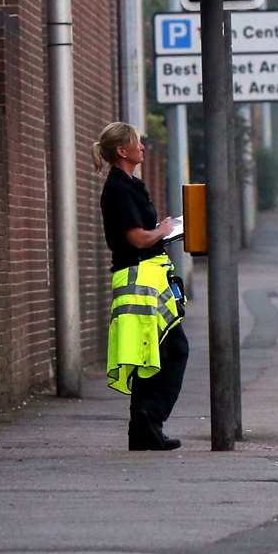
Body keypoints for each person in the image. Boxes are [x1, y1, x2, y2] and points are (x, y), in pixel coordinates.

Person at [95, 122, 187, 451]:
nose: (143, 148)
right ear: (123, 151)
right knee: (168, 350)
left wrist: (164, 230)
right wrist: (163, 229)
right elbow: (136, 238)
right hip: (139, 279)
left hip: (148, 276)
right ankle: (148, 423)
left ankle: (145, 428)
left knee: (157, 352)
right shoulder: (119, 189)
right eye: (137, 143)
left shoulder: (130, 185)